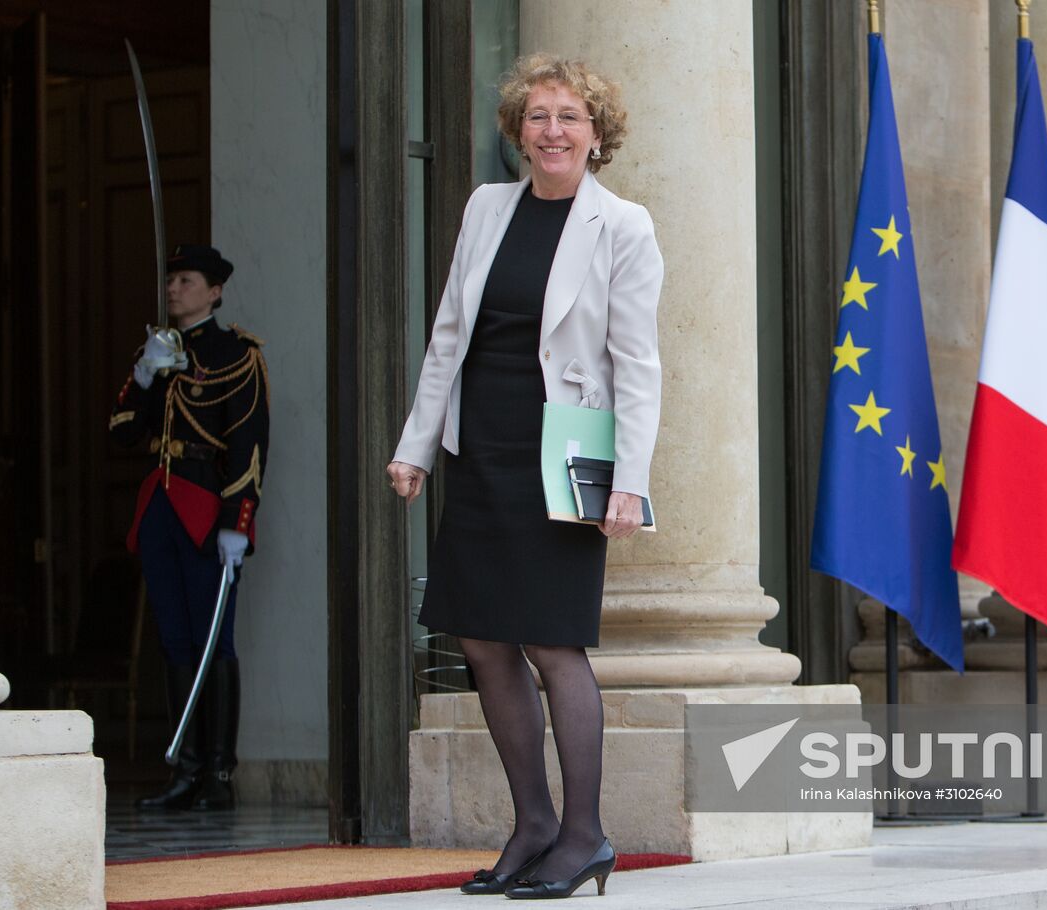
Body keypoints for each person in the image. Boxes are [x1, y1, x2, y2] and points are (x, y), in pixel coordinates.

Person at [388, 54, 662, 899]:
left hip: (564, 452)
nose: (552, 131)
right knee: (480, 636)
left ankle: (585, 835)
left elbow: (638, 364)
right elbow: (448, 335)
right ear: (517, 131)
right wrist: (416, 446)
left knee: (552, 639)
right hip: (482, 448)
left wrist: (629, 478)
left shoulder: (623, 226)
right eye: (537, 116)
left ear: (597, 134)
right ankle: (534, 823)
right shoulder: (485, 206)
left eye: (569, 117)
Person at [109, 244, 270, 811]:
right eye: (171, 279)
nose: (174, 288)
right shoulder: (156, 351)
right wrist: (146, 372)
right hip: (162, 506)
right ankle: (186, 770)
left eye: (186, 279)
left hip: (207, 508)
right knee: (175, 638)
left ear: (215, 290)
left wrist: (238, 523)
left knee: (212, 643)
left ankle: (219, 777)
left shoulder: (236, 353)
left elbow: (249, 445)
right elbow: (122, 431)